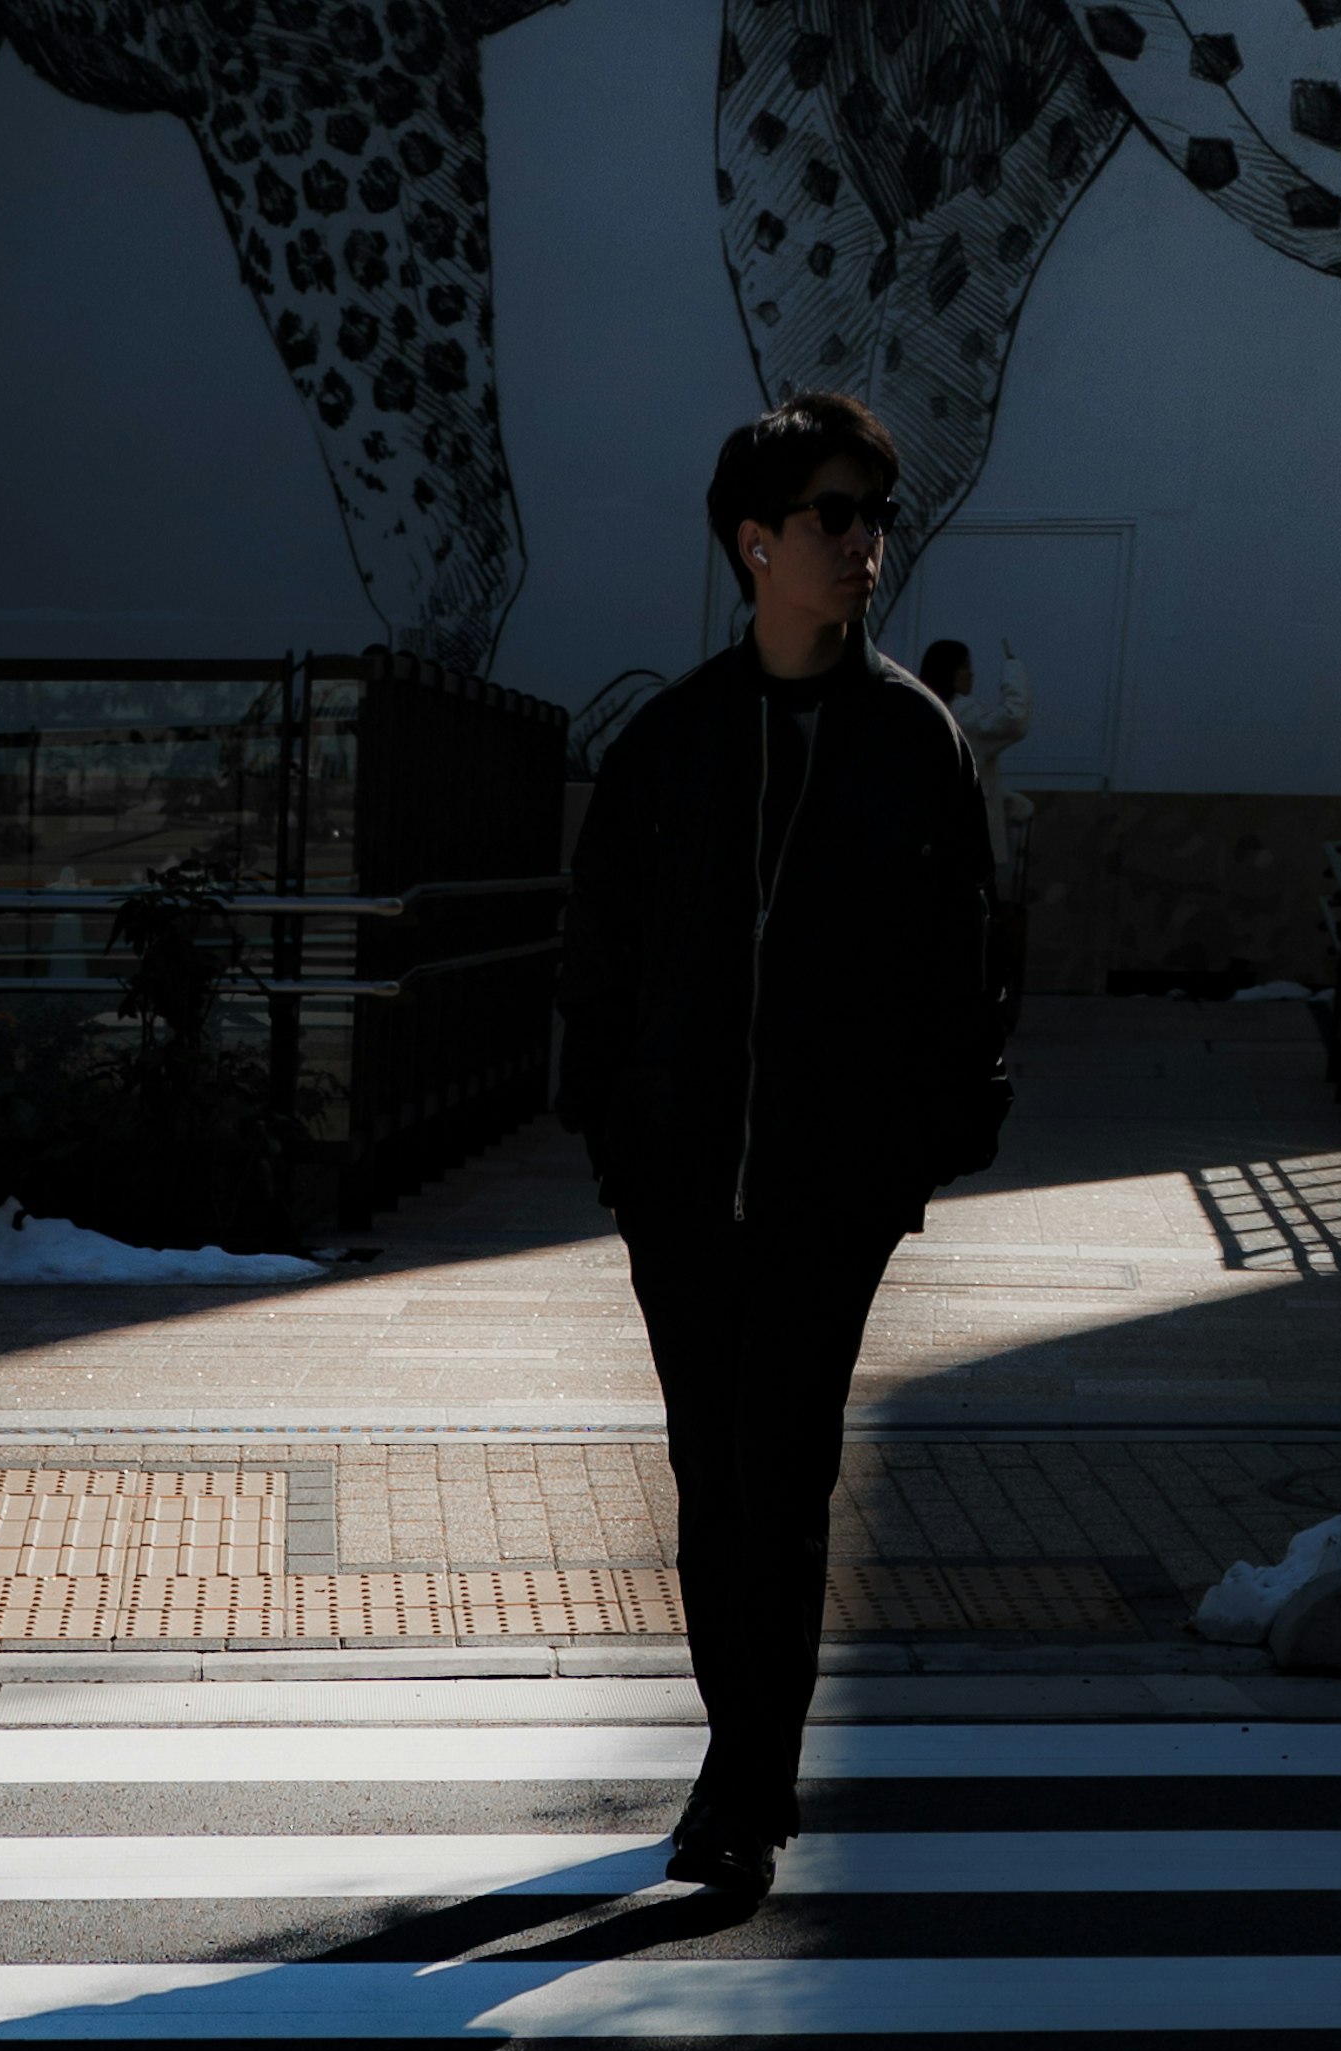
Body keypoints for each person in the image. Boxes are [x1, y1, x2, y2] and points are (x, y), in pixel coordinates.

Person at [556, 391, 1006, 1890]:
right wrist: (618, 1138)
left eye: (875, 514)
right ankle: (737, 1755)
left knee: (786, 1469)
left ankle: (746, 1782)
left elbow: (967, 963)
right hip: (681, 1187)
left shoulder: (911, 740)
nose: (866, 541)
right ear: (759, 542)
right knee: (711, 1474)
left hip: (831, 1192)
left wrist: (918, 1150)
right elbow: (600, 956)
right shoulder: (672, 745)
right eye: (834, 515)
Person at [920, 627, 1034, 1030]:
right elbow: (1013, 721)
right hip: (966, 852)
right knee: (970, 936)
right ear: (951, 671)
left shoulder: (925, 710)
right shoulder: (963, 713)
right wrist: (1014, 672)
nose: (971, 674)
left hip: (935, 846)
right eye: (966, 667)